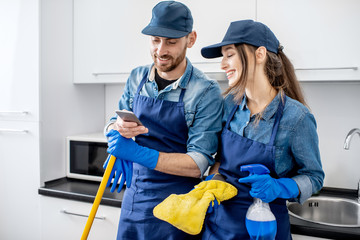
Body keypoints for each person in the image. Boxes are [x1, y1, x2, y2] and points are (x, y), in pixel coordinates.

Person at [104, 1, 223, 239]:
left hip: (178, 210)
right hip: (135, 200)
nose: (161, 50)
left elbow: (198, 163)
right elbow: (115, 118)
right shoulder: (137, 77)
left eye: (171, 42)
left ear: (191, 39)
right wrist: (115, 131)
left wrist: (137, 154)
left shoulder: (206, 91)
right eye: (156, 40)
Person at [198, 20, 325, 239]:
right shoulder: (227, 105)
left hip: (265, 229)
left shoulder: (297, 118)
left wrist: (280, 187)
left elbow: (313, 177)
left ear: (260, 54)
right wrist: (214, 182)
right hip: (218, 228)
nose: (222, 64)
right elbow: (219, 160)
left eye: (229, 55)